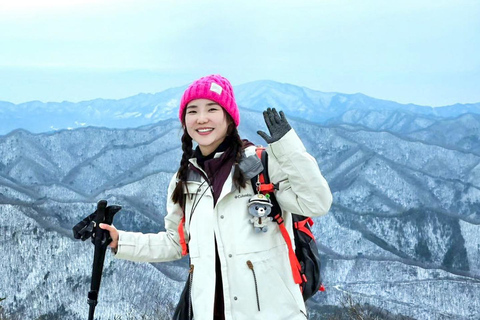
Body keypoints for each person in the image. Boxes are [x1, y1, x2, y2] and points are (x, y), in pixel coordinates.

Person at [99, 74, 332, 320]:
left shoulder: (263, 164)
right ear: (184, 120)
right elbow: (175, 243)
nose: (201, 118)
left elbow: (317, 202)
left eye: (212, 109)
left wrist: (288, 149)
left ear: (229, 118)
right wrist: (119, 241)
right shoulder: (184, 180)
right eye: (192, 111)